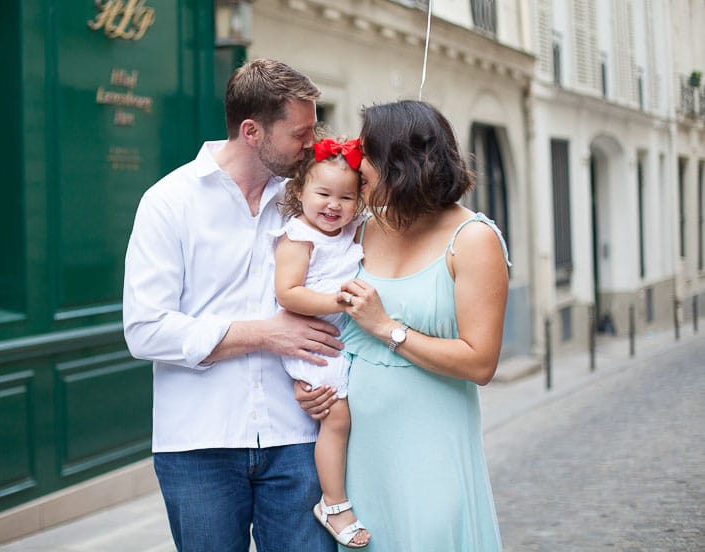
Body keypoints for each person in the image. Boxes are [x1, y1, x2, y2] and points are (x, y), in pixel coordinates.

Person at [122, 58, 339, 552]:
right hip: (198, 444)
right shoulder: (168, 202)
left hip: (298, 438)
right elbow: (145, 329)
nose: (311, 144)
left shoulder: (308, 202)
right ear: (251, 131)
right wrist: (265, 333)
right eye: (299, 133)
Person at [298, 100, 510, 551]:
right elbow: (317, 307)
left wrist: (387, 327)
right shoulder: (363, 228)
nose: (359, 166)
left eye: (367, 154)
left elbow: (481, 362)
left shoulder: (473, 240)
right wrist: (309, 379)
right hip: (360, 453)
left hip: (431, 445)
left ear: (400, 162)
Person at [272, 138, 371, 548]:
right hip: (313, 343)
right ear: (299, 193)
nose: (334, 205)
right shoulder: (299, 237)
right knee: (338, 419)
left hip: (338, 338)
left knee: (347, 419)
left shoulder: (347, 232)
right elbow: (288, 293)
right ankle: (333, 503)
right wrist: (338, 301)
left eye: (346, 197)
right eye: (323, 194)